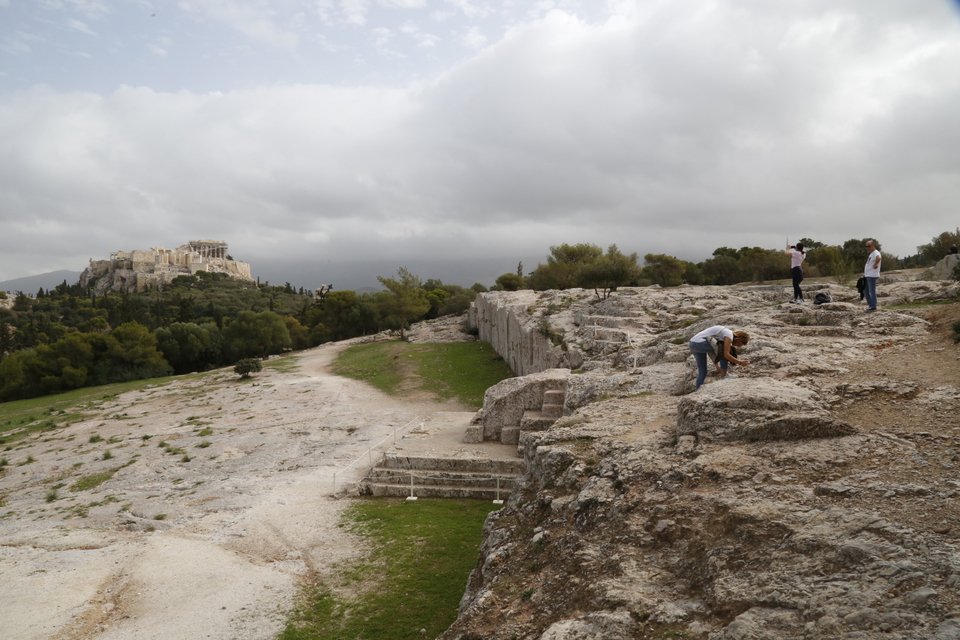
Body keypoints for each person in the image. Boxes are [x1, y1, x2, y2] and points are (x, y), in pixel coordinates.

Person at [688, 326, 749, 390]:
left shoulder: (723, 334)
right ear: (739, 339)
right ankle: (724, 376)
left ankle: (698, 390)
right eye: (741, 344)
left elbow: (712, 351)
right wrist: (740, 362)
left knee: (702, 371)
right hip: (699, 343)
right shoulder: (729, 335)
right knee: (724, 351)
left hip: (692, 343)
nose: (739, 346)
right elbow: (726, 355)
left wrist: (717, 366)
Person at [863, 239, 882, 312]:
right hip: (867, 275)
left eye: (869, 246)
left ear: (873, 245)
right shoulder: (871, 253)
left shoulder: (876, 253)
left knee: (871, 291)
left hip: (872, 275)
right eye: (866, 246)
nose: (867, 247)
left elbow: (879, 258)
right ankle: (870, 305)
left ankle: (873, 306)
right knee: (865, 290)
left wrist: (876, 264)